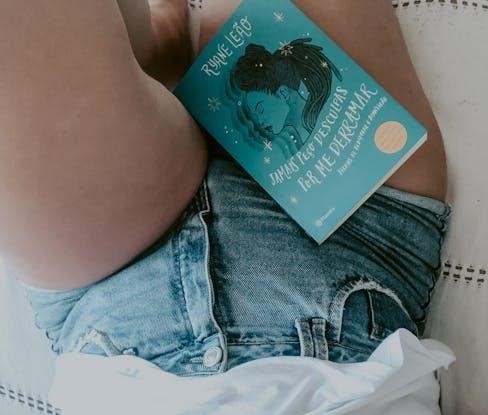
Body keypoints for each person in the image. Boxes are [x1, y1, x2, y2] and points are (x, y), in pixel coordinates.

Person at [0, 0, 450, 373]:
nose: (256, 119)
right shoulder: (304, 88)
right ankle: (151, 53)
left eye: (261, 112)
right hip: (351, 246)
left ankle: (151, 53)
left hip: (112, 289)